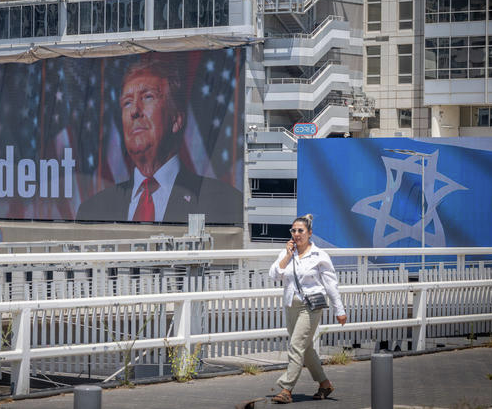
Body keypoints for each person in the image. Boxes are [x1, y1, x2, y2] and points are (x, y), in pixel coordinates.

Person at [76, 58, 242, 224]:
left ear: (176, 120)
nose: (134, 111)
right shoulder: (92, 210)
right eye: (127, 102)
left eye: (147, 97)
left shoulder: (223, 202)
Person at [268, 214, 347, 403]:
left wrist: (339, 310)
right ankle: (325, 384)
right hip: (291, 305)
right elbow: (274, 275)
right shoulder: (287, 253)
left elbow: (330, 284)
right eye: (293, 230)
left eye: (300, 230)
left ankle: (286, 389)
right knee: (306, 348)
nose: (296, 234)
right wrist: (287, 255)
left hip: (310, 306)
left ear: (309, 233)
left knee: (296, 346)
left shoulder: (319, 255)